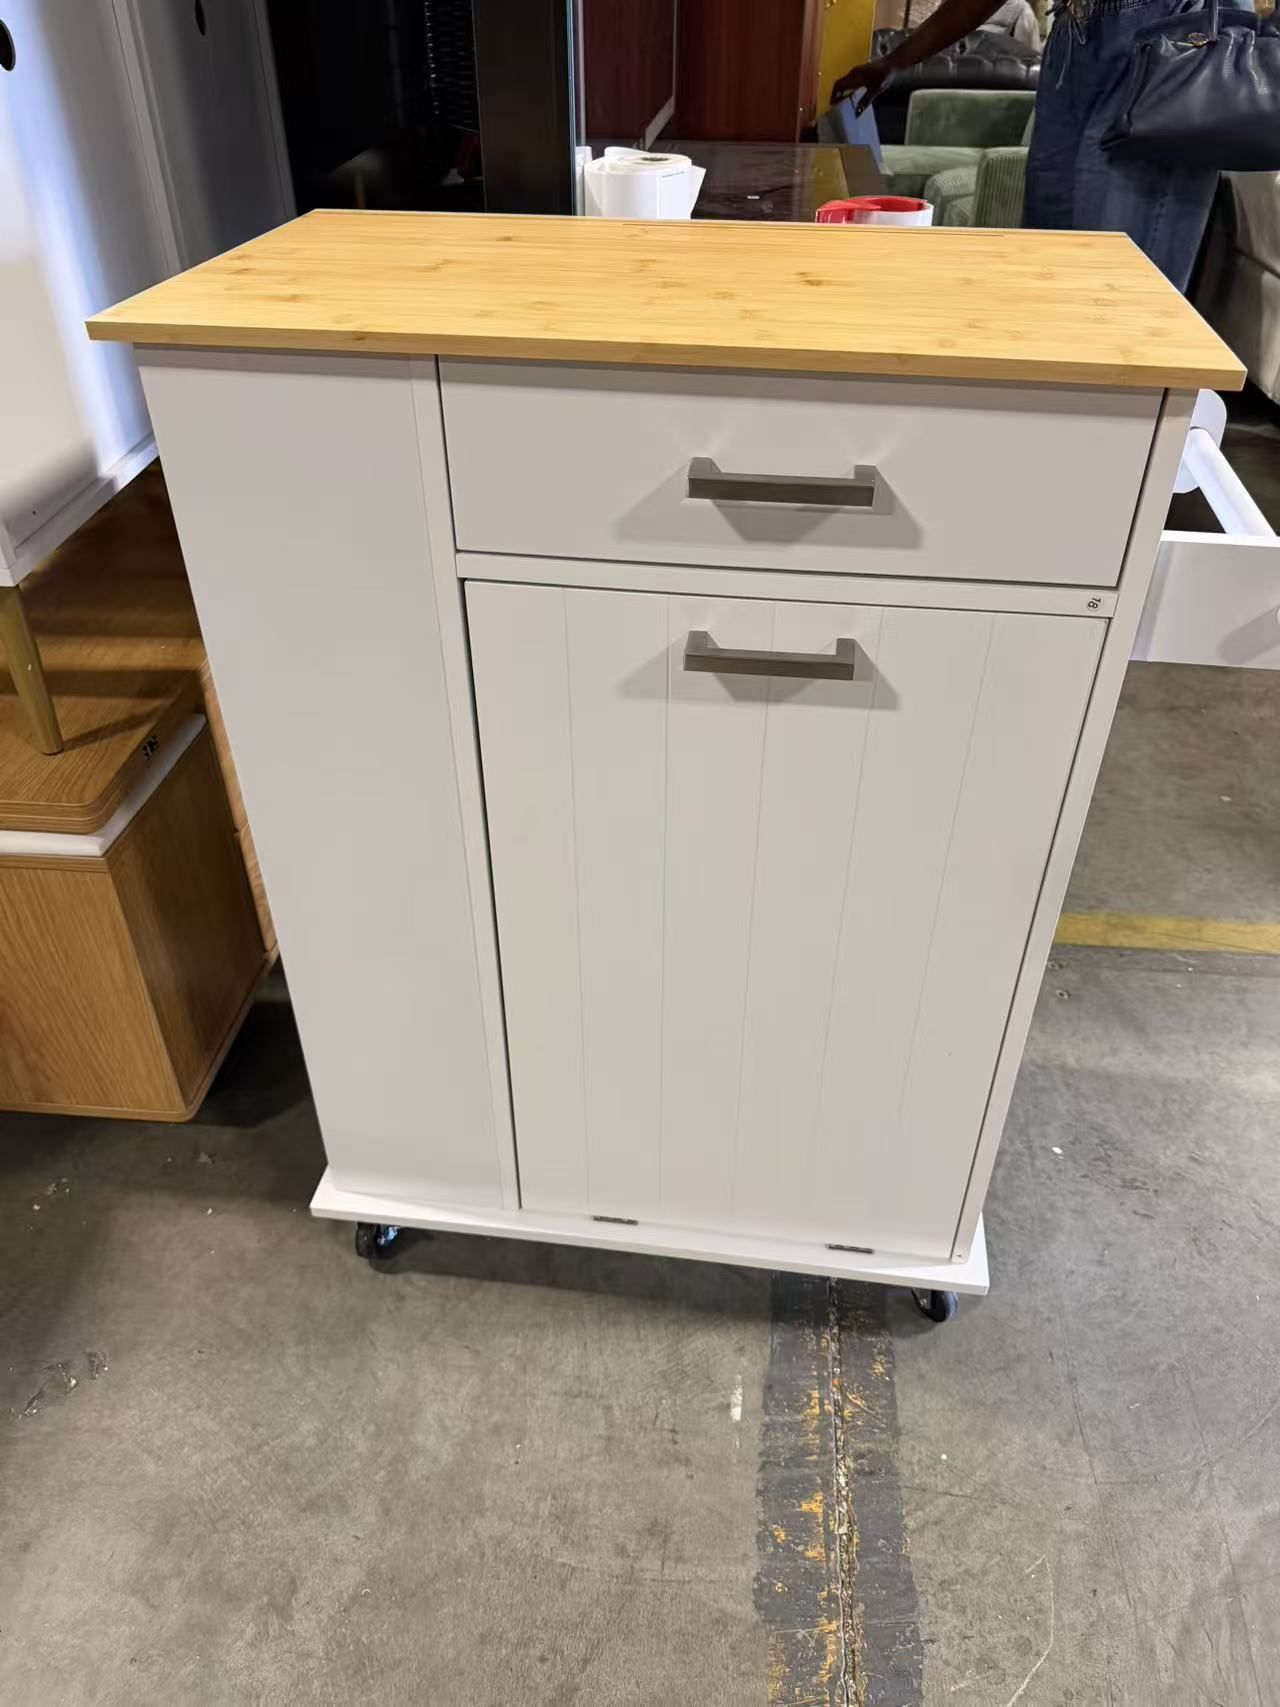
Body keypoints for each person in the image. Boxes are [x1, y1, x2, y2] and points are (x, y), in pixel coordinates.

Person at [833, 0, 1220, 291]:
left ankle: (1131, 395)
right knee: (1048, 259)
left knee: (1116, 274)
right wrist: (897, 61)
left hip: (1170, 33)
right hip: (1076, 38)